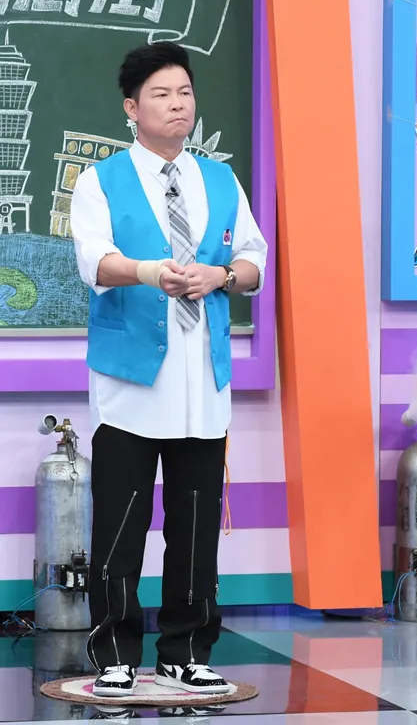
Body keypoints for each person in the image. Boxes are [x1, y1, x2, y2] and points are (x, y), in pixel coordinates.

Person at [70, 42, 268, 697]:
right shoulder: (100, 181)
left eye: (184, 91)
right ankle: (115, 653)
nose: (178, 104)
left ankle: (186, 649)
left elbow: (254, 262)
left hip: (202, 380)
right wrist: (149, 271)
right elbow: (95, 262)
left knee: (196, 523)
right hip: (131, 382)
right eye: (161, 94)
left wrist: (222, 276)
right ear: (132, 108)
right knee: (120, 524)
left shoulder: (221, 179)